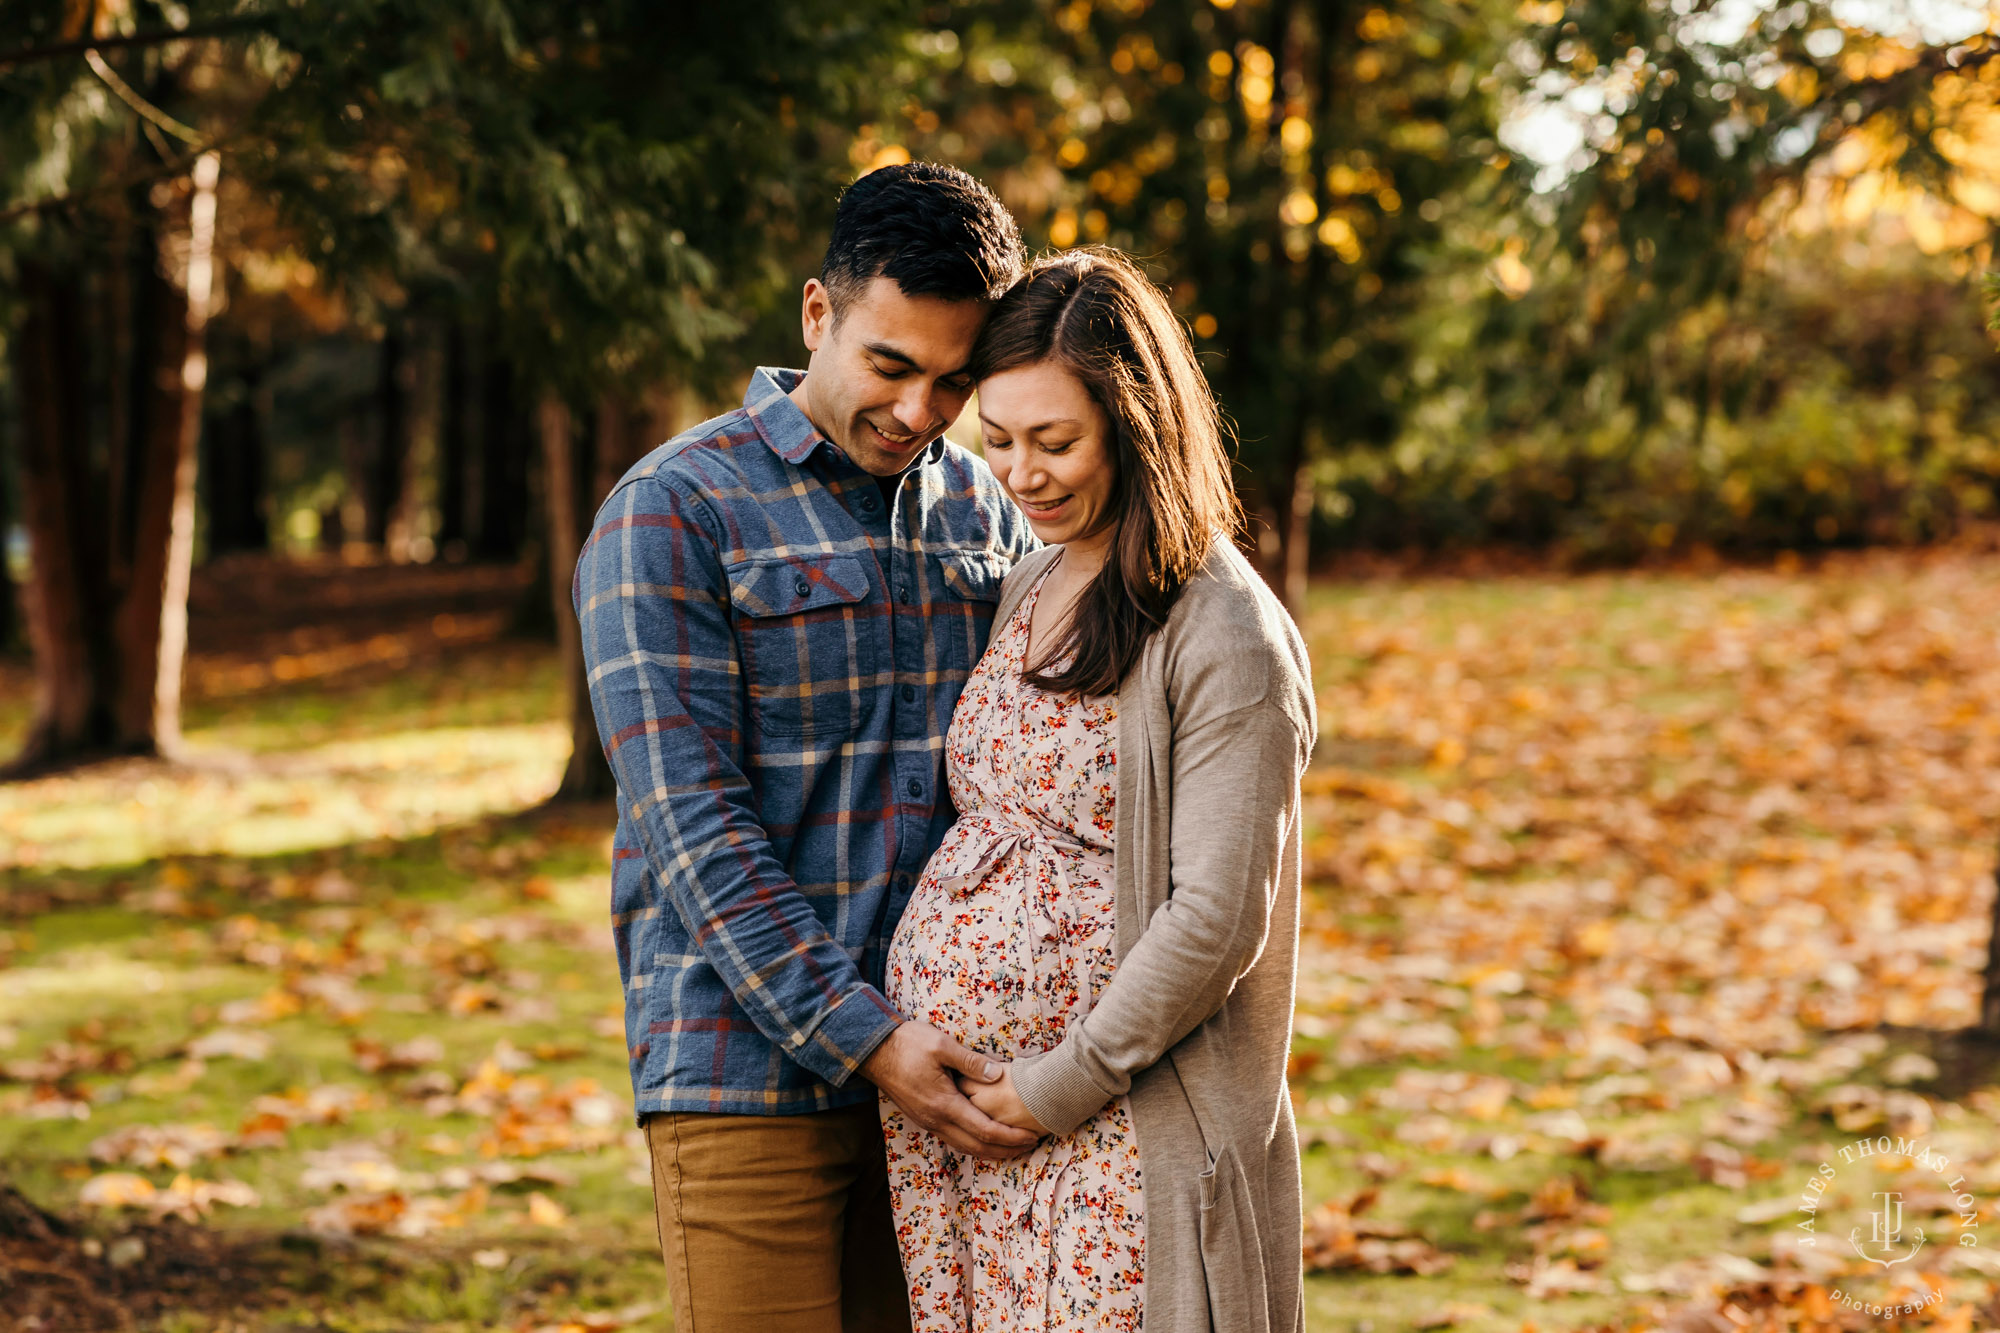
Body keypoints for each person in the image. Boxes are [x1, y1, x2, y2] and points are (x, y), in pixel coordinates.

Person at [573, 162, 1044, 1333]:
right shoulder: (673, 510)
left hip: (947, 1076)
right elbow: (693, 832)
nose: (919, 412)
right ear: (816, 315)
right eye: (890, 366)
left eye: (953, 381)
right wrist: (870, 1036)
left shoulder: (986, 513)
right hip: (741, 1072)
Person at [880, 248, 1317, 1333]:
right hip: (979, 1143)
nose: (1021, 474)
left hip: (1110, 1132)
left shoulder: (1222, 631)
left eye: (1055, 441)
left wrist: (1056, 1083)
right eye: (1000, 441)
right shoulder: (1031, 580)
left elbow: (1216, 918)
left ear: (1137, 425)